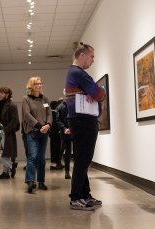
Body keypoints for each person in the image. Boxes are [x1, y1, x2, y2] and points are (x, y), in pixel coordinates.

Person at [65, 42, 106, 210]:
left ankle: (84, 194)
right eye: (92, 56)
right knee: (83, 159)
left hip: (81, 121)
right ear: (82, 55)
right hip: (83, 121)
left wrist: (92, 93)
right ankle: (76, 197)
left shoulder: (74, 73)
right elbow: (100, 93)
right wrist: (96, 94)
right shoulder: (78, 73)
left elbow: (95, 92)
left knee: (83, 159)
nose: (93, 60)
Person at [22, 76, 51, 193]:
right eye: (37, 84)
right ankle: (30, 181)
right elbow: (27, 114)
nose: (39, 85)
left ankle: (41, 181)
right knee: (33, 156)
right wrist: (39, 126)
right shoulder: (26, 99)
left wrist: (48, 124)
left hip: (44, 132)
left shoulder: (45, 99)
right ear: (31, 86)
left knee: (42, 158)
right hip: (33, 132)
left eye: (40, 83)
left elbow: (49, 114)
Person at [0, 87, 20, 179]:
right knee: (1, 152)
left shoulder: (12, 105)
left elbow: (15, 120)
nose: (0, 94)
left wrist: (5, 130)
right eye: (0, 92)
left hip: (7, 132)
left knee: (5, 152)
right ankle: (8, 169)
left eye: (3, 93)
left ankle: (9, 169)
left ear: (8, 94)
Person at [56, 92, 73, 179]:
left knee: (78, 152)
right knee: (68, 153)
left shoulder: (75, 105)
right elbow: (58, 120)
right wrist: (65, 128)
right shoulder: (60, 107)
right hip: (65, 132)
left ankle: (79, 171)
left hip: (75, 132)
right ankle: (67, 171)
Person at [49, 100, 63, 170]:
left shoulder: (49, 114)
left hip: (52, 134)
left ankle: (54, 164)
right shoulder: (55, 114)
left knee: (53, 148)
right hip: (56, 134)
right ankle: (57, 163)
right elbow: (56, 124)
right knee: (57, 149)